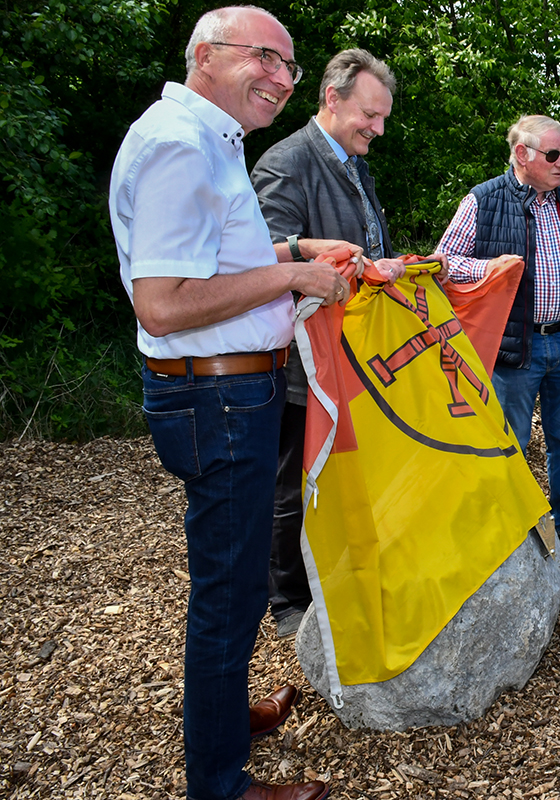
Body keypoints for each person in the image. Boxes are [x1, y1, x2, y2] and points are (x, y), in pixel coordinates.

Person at [109, 6, 353, 799]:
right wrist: (291, 278)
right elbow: (165, 303)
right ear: (207, 57)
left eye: (289, 67)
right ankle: (219, 782)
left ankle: (219, 713)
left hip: (227, 391)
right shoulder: (180, 146)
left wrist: (293, 249)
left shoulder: (206, 138)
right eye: (266, 59)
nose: (283, 80)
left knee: (238, 579)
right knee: (228, 587)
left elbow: (216, 262)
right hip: (216, 397)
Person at [251, 48, 414, 640]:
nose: (377, 128)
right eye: (369, 115)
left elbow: (369, 244)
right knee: (295, 480)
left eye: (383, 118)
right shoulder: (286, 163)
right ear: (332, 99)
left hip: (353, 359)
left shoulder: (356, 163)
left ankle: (335, 578)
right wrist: (327, 256)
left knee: (343, 477)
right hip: (301, 365)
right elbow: (259, 257)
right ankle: (286, 599)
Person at [436, 115, 560, 562]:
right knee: (509, 442)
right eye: (553, 155)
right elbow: (444, 263)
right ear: (522, 155)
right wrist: (492, 268)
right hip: (514, 347)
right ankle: (508, 532)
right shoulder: (484, 200)